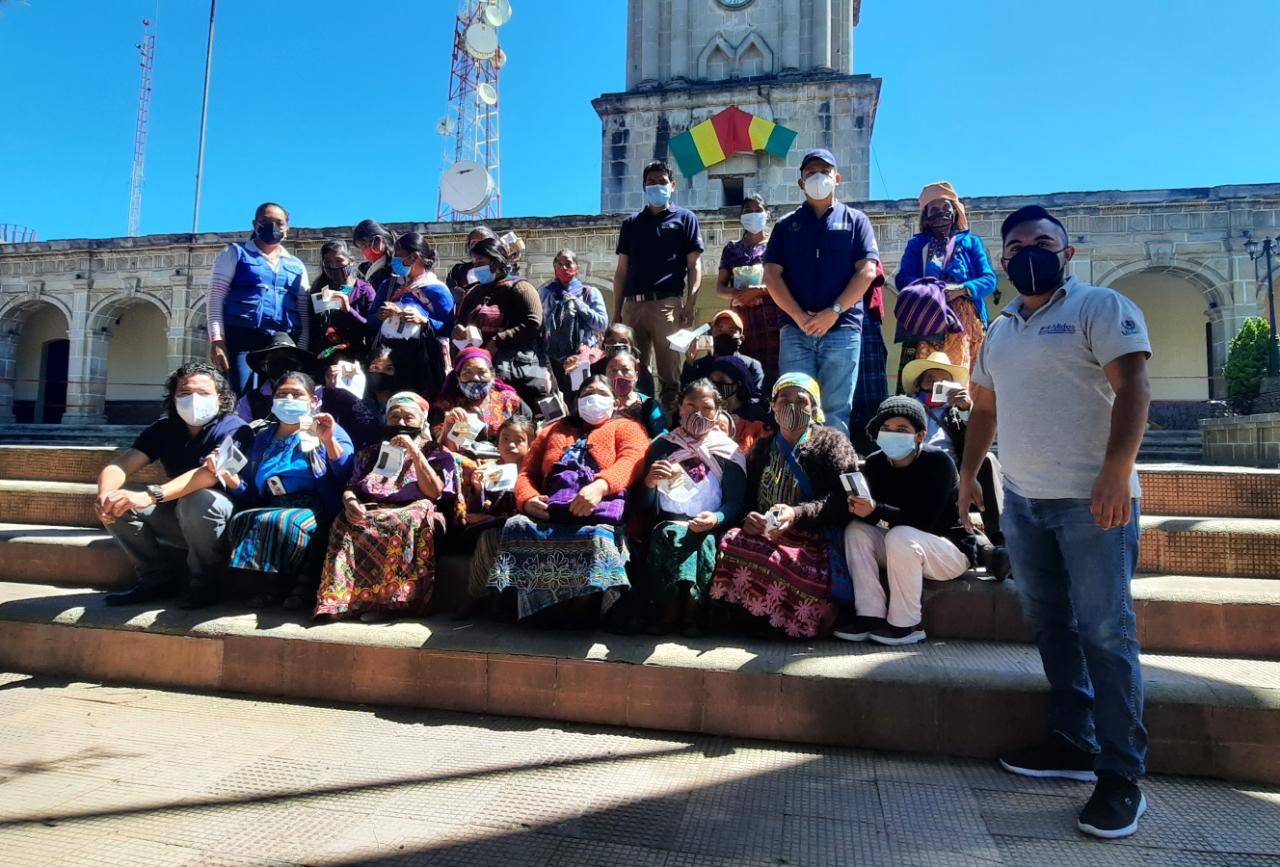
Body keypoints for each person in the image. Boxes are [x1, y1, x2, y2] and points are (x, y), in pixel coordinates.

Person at [960, 205, 1152, 839]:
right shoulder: (1001, 330)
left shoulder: (1099, 306)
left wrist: (1116, 473)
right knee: (1051, 623)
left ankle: (1121, 776)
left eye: (1044, 241)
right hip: (1024, 501)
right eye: (1017, 246)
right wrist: (968, 475)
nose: (1030, 251)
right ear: (1004, 260)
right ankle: (1073, 737)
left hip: (1093, 502)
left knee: (1106, 633)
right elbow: (983, 410)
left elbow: (1134, 389)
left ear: (1067, 253)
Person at [486, 375, 648, 622]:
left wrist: (600, 486)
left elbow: (631, 461)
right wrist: (527, 499)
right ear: (576, 401)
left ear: (615, 402)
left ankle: (582, 615)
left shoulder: (628, 428)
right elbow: (527, 472)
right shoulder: (553, 429)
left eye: (602, 393)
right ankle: (537, 612)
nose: (594, 398)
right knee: (515, 526)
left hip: (597, 513)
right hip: (554, 510)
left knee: (597, 538)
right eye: (587, 393)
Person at [709, 373, 857, 639]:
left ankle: (792, 621)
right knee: (731, 540)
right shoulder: (763, 448)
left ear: (814, 409)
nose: (792, 406)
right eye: (784, 399)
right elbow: (747, 500)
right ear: (773, 407)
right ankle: (751, 616)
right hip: (769, 532)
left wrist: (796, 514)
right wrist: (749, 518)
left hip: (813, 538)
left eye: (801, 401)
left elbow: (842, 499)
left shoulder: (832, 443)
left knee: (792, 562)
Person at [96, 362, 251, 609]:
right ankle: (155, 578)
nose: (193, 400)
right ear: (173, 397)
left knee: (199, 498)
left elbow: (208, 475)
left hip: (221, 520)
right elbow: (122, 465)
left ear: (220, 399)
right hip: (178, 514)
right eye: (185, 393)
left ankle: (204, 581)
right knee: (118, 503)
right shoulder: (164, 428)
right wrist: (105, 494)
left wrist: (151, 495)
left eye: (203, 393)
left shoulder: (235, 429)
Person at [840, 396, 978, 646]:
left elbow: (923, 521)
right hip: (902, 545)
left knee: (900, 535)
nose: (893, 434)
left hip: (948, 551)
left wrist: (875, 510)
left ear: (920, 435)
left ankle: (906, 624)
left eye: (902, 429)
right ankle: (869, 615)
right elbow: (877, 519)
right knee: (856, 531)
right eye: (886, 428)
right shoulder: (874, 463)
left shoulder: (938, 463)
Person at [764, 150, 880, 438]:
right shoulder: (784, 226)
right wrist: (799, 316)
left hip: (842, 329)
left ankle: (833, 477)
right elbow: (771, 276)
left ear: (837, 178)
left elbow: (866, 271)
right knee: (794, 408)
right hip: (795, 332)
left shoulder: (856, 221)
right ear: (800, 182)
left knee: (836, 409)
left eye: (825, 171)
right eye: (810, 171)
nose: (818, 176)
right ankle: (797, 477)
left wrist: (834, 312)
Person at [314, 392, 457, 622]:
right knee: (344, 520)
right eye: (394, 417)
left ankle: (394, 603)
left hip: (417, 509)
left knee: (407, 517)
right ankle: (343, 602)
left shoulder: (437, 453)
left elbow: (434, 492)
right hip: (375, 506)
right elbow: (352, 486)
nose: (400, 423)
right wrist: (350, 501)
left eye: (408, 418)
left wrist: (414, 452)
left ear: (422, 422)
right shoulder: (370, 453)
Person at [222, 371, 354, 609]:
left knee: (279, 522)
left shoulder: (326, 429)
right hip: (273, 501)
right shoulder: (262, 437)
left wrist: (328, 441)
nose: (289, 399)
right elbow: (251, 490)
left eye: (297, 394)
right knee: (245, 518)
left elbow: (345, 472)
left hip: (314, 504)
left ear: (313, 401)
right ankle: (263, 586)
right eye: (283, 394)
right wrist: (233, 481)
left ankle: (286, 587)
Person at [640, 380, 747, 636]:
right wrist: (650, 482)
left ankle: (691, 614)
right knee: (671, 534)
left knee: (704, 543)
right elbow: (644, 504)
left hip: (709, 525)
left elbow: (735, 501)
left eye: (706, 407)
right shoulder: (662, 446)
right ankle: (667, 612)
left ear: (718, 412)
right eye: (690, 405)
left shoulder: (729, 452)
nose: (698, 413)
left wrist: (717, 517)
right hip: (668, 521)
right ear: (678, 407)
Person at [612, 160, 704, 408]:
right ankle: (639, 422)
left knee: (669, 374)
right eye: (651, 182)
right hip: (633, 306)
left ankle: (669, 428)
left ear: (672, 186)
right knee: (634, 371)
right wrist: (616, 313)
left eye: (662, 182)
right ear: (643, 186)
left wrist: (690, 304)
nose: (656, 186)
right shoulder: (631, 224)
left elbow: (695, 266)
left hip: (667, 305)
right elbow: (621, 272)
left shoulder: (685, 219)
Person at [902, 351, 1008, 565]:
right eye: (930, 379)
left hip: (957, 471)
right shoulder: (905, 406)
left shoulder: (957, 410)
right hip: (917, 468)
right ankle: (984, 551)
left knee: (987, 459)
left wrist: (967, 410)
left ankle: (999, 540)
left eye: (942, 380)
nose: (935, 384)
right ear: (919, 384)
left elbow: (980, 436)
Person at [207, 202, 310, 395]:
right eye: (265, 221)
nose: (272, 226)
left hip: (284, 342)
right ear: (255, 224)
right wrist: (217, 341)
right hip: (243, 338)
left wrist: (301, 351)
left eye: (279, 222)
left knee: (283, 395)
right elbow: (215, 299)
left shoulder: (297, 265)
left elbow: (303, 312)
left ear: (287, 228)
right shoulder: (234, 253)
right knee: (241, 395)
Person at [894, 181, 998, 372]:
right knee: (927, 377)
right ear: (926, 216)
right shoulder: (917, 245)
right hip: (927, 318)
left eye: (945, 207)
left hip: (967, 324)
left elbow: (989, 280)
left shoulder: (971, 243)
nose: (940, 213)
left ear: (954, 211)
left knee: (966, 379)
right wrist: (930, 290)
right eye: (934, 209)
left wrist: (960, 289)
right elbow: (902, 279)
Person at [454, 233, 553, 411]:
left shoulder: (520, 288)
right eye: (474, 263)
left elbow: (534, 322)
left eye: (480, 262)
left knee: (522, 420)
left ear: (496, 262)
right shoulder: (474, 293)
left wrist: (497, 340)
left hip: (518, 371)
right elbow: (460, 321)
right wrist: (460, 331)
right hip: (479, 374)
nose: (476, 268)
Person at [458, 416, 536, 618]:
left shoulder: (535, 472)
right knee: (489, 537)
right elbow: (476, 511)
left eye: (518, 440)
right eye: (504, 438)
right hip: (490, 528)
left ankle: (492, 601)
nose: (510, 445)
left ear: (530, 443)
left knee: (493, 537)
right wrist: (477, 487)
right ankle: (479, 599)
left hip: (521, 529)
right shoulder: (490, 469)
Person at [367, 233, 451, 401]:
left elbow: (448, 328)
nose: (394, 261)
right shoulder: (389, 285)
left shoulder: (437, 290)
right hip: (387, 357)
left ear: (415, 257)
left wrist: (423, 321)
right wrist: (380, 316)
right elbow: (370, 320)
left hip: (419, 359)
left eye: (399, 257)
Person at [716, 193, 781, 387]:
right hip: (742, 320)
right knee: (743, 370)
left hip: (772, 318)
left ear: (767, 213)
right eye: (747, 211)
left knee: (774, 371)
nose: (753, 214)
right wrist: (738, 294)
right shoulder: (732, 249)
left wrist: (759, 290)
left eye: (757, 210)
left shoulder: (777, 245)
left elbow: (788, 282)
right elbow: (720, 287)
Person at [540, 249, 609, 393]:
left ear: (577, 268)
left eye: (568, 263)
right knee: (558, 400)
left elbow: (602, 324)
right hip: (553, 360)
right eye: (559, 264)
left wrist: (578, 304)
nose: (564, 267)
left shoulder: (590, 293)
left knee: (582, 395)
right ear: (554, 268)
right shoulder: (545, 293)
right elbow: (538, 325)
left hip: (582, 357)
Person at [430, 347, 525, 449]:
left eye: (482, 372)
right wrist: (452, 425)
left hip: (506, 459)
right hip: (465, 461)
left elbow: (525, 436)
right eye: (468, 372)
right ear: (458, 378)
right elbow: (450, 449)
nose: (475, 378)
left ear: (492, 375)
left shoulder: (509, 401)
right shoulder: (447, 405)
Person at [310, 240, 377, 356]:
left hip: (355, 356)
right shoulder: (319, 288)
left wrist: (349, 310)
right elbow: (312, 325)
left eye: (339, 261)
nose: (334, 266)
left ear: (351, 261)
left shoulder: (364, 290)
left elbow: (372, 328)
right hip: (324, 357)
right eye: (328, 262)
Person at [680, 309, 765, 393]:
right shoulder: (698, 366)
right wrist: (689, 362)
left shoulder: (752, 365)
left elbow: (758, 397)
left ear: (741, 338)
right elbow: (686, 394)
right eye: (719, 330)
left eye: (731, 331)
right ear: (710, 335)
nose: (724, 335)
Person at [707, 356, 772, 454]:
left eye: (722, 381)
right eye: (712, 382)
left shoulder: (755, 413)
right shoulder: (708, 411)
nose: (716, 386)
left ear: (738, 383)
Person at [606, 350, 667, 437]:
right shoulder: (600, 404)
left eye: (625, 370)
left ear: (636, 375)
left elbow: (662, 438)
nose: (619, 375)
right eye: (613, 370)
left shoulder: (649, 405)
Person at [587, 323, 656, 396]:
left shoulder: (642, 372)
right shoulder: (593, 370)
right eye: (612, 341)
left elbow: (648, 402)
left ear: (632, 346)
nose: (617, 345)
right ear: (604, 345)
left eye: (623, 342)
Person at [445, 226, 496, 305]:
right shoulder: (458, 270)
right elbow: (451, 289)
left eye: (484, 242)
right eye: (474, 242)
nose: (479, 246)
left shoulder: (498, 267)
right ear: (469, 246)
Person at [353, 219, 396, 291]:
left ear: (378, 241)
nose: (364, 252)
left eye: (364, 246)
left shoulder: (395, 268)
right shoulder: (364, 269)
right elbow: (354, 287)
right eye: (361, 248)